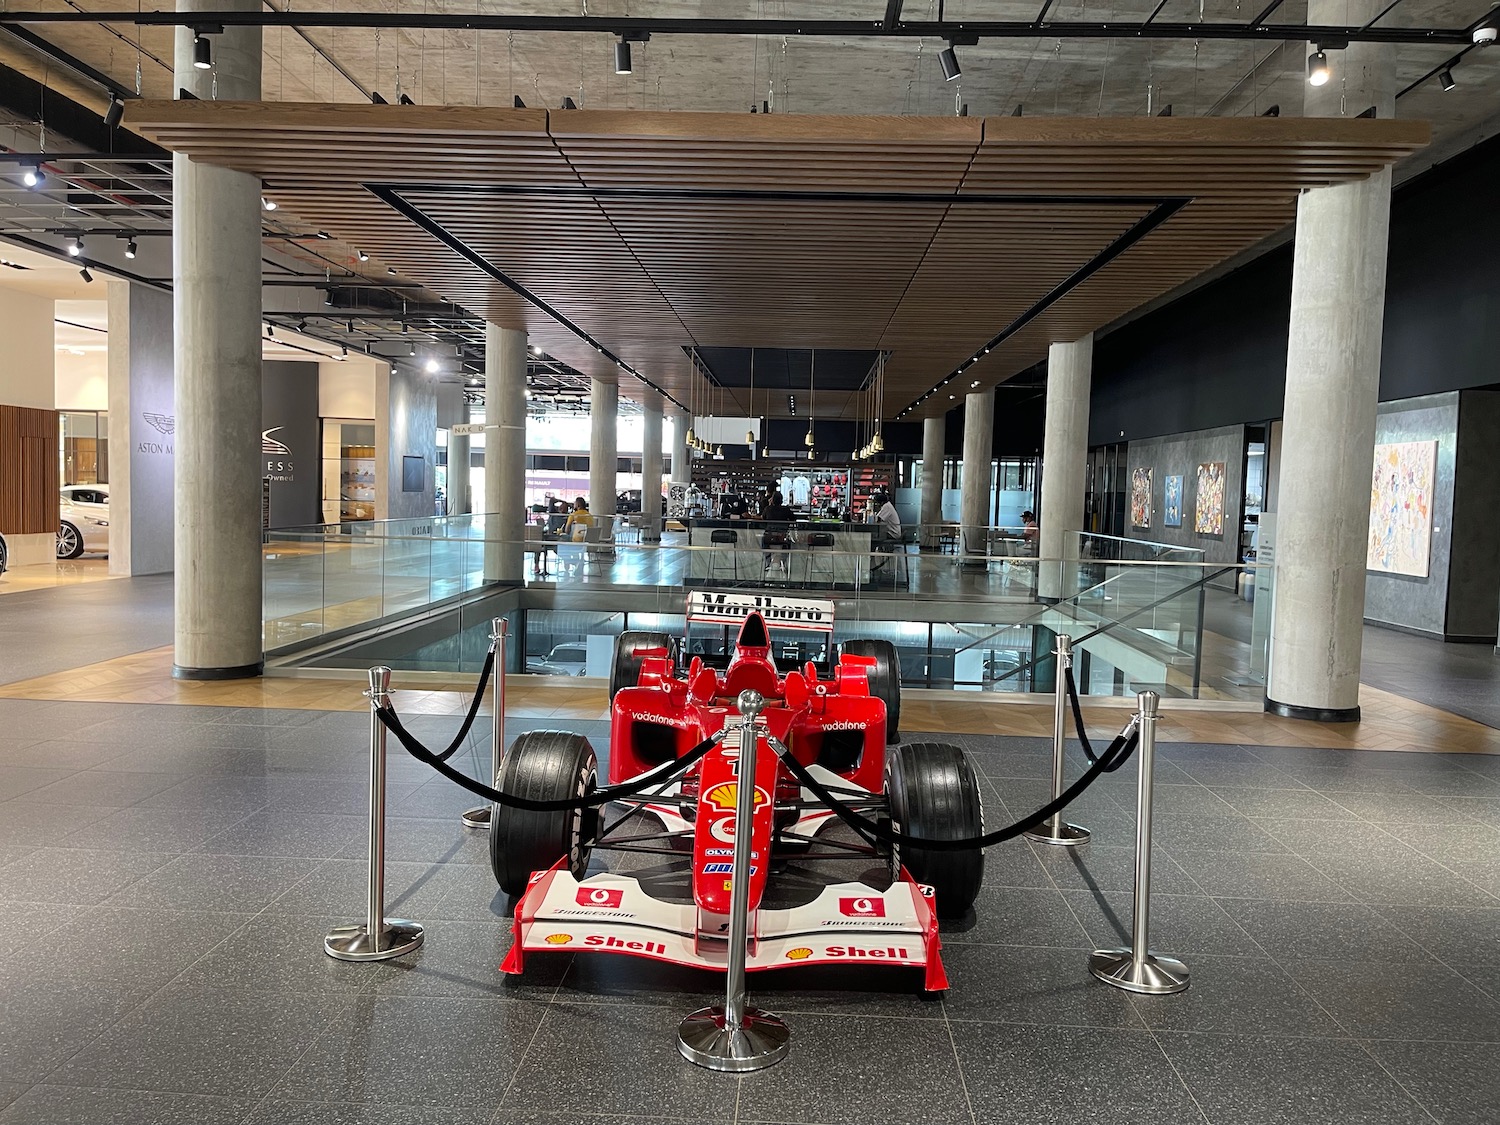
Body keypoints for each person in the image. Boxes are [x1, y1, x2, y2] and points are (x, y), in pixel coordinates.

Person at [760, 490, 797, 574]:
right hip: (782, 537)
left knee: (763, 542)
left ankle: (768, 562)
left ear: (772, 500)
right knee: (788, 544)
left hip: (769, 537)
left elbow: (763, 519)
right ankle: (783, 563)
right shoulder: (786, 509)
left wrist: (769, 506)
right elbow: (794, 519)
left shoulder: (768, 509)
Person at [871, 491, 902, 571]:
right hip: (891, 532)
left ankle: (872, 561)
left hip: (893, 534)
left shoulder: (886, 507)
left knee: (873, 540)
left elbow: (878, 519)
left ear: (881, 502)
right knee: (875, 538)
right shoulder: (888, 505)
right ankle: (874, 560)